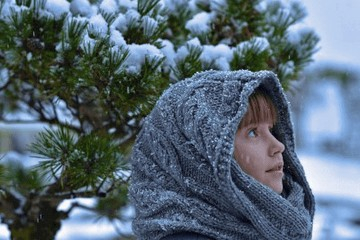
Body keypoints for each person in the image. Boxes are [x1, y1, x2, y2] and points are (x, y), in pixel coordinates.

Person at [129, 70, 315, 240]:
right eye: (253, 133)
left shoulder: (268, 225)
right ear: (201, 156)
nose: (278, 146)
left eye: (271, 129)